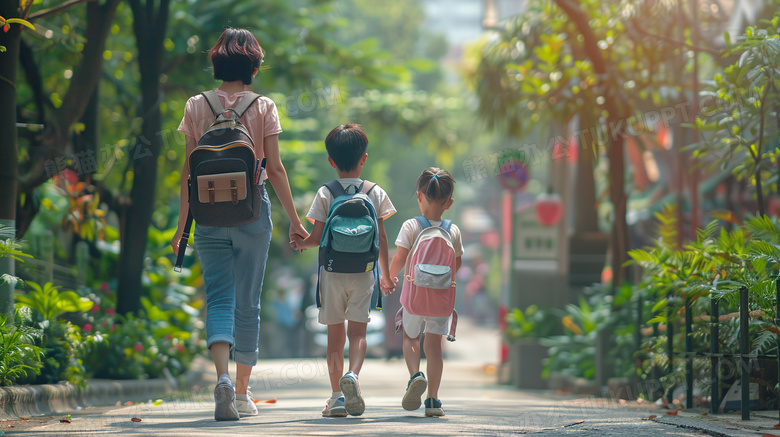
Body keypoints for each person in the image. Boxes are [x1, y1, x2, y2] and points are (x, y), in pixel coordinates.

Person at [171, 28, 308, 421]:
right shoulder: (263, 106)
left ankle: (222, 380)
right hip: (252, 212)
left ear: (217, 62)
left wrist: (182, 230)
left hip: (208, 215)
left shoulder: (196, 105)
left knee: (218, 298)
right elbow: (276, 168)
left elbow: (188, 174)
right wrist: (295, 223)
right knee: (248, 302)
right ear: (253, 65)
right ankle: (244, 395)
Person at [290, 123, 396, 417]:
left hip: (331, 272)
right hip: (364, 272)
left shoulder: (326, 192)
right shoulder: (375, 192)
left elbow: (316, 239)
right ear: (364, 158)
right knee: (358, 334)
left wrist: (299, 243)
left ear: (331, 161)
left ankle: (337, 396)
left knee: (334, 337)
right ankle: (354, 376)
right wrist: (385, 276)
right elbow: (382, 239)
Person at [387, 167, 463, 417]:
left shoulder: (412, 226)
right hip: (441, 300)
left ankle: (414, 376)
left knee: (410, 338)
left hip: (414, 297)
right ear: (449, 203)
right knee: (434, 347)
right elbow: (457, 265)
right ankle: (433, 400)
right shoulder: (453, 231)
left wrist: (387, 278)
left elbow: (399, 258)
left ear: (419, 196)